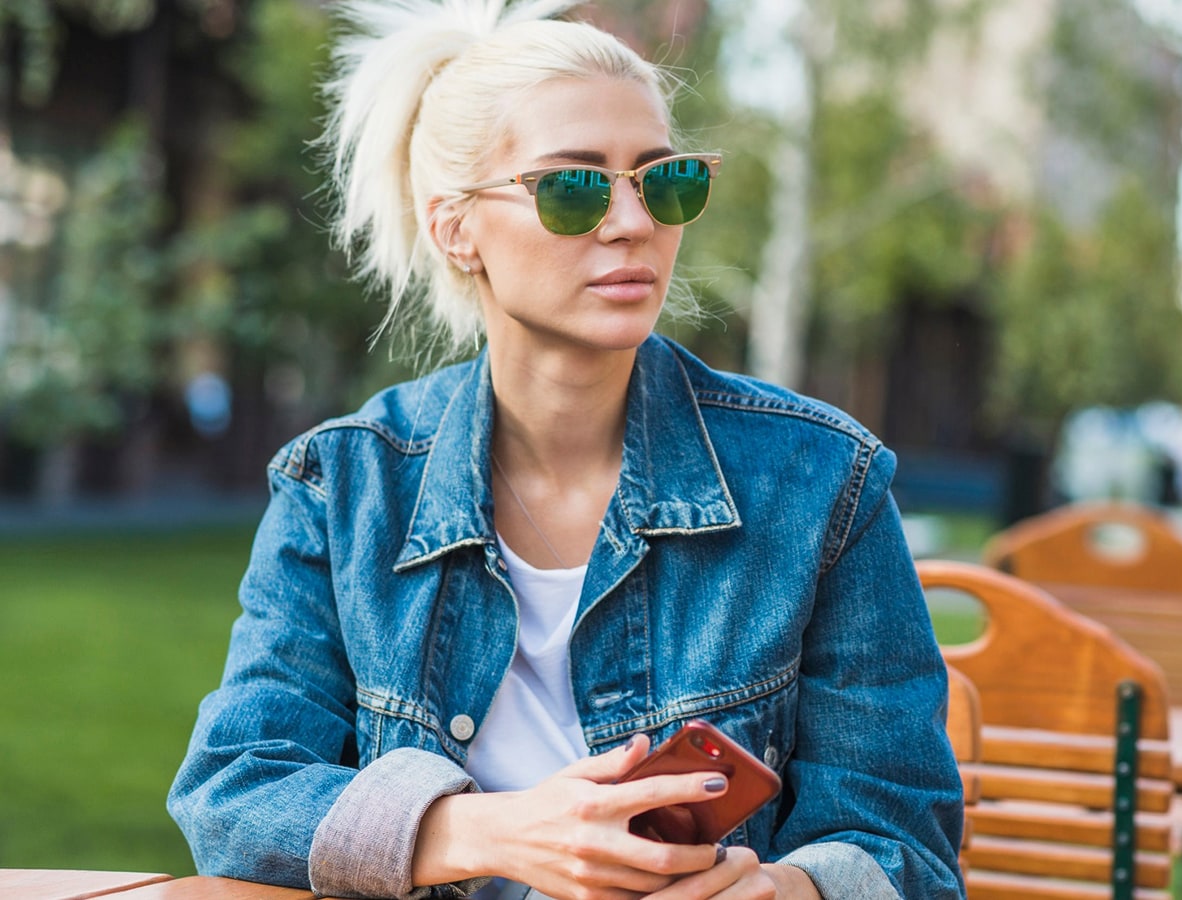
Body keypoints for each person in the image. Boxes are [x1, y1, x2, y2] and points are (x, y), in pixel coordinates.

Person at [165, 2, 965, 898]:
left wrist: (793, 891)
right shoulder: (343, 486)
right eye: (574, 188)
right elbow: (236, 788)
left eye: (664, 182)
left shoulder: (824, 483)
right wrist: (491, 832)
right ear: (454, 227)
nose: (632, 223)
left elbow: (906, 841)